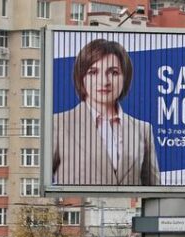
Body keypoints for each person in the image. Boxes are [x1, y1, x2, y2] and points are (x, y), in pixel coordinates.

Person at [53, 39, 160, 186]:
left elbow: (154, 189)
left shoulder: (143, 129)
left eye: (114, 73)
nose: (104, 81)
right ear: (81, 77)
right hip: (78, 208)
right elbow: (41, 181)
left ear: (125, 77)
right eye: (93, 72)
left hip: (130, 209)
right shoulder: (58, 124)